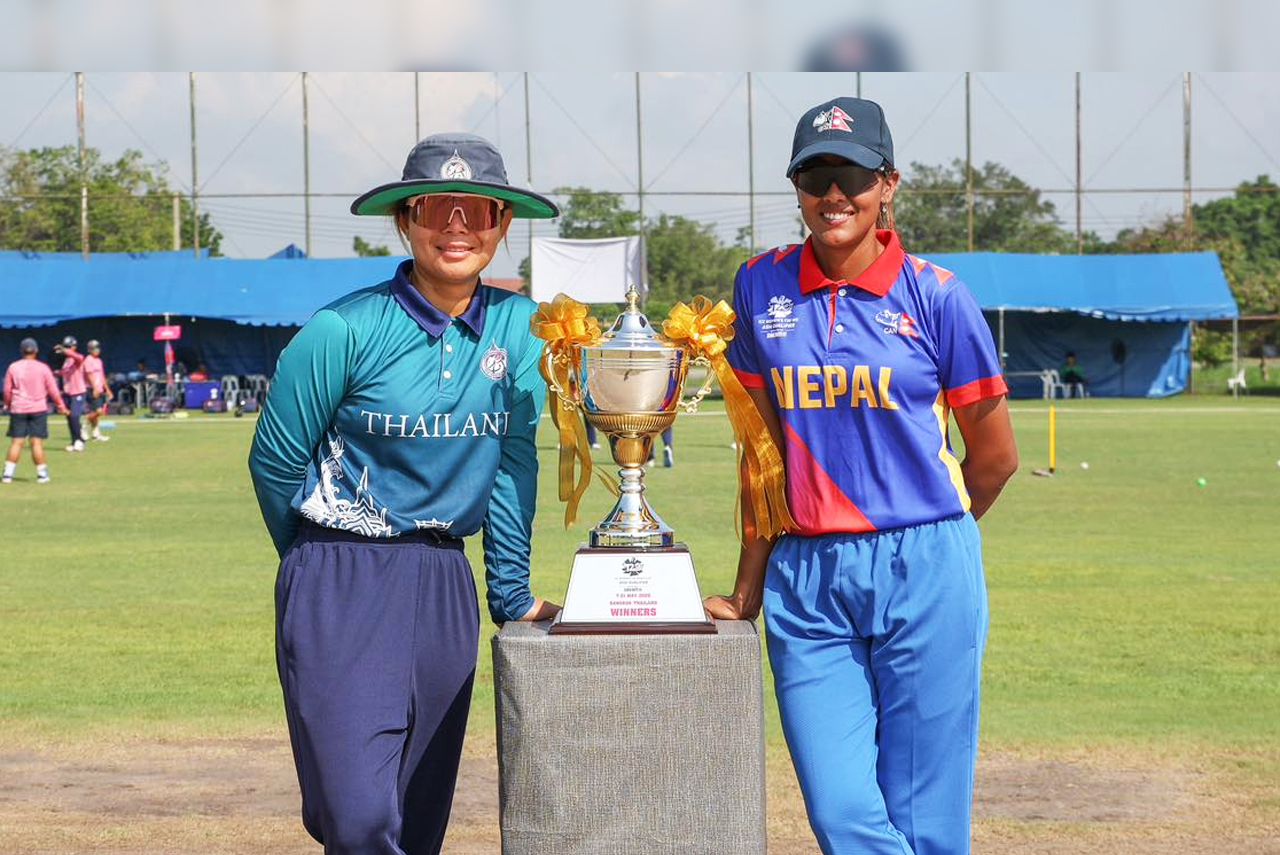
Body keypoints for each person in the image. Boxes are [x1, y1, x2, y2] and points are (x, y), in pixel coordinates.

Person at [705, 97, 1018, 855]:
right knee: (841, 810)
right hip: (807, 576)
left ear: (888, 184)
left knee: (925, 819)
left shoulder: (937, 294)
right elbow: (762, 454)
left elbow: (995, 456)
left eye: (852, 174)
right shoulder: (759, 285)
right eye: (815, 177)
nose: (834, 194)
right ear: (796, 189)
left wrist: (926, 535)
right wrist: (746, 588)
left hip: (925, 564)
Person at [249, 132, 562, 855]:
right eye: (434, 208)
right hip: (342, 576)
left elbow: (513, 464)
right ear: (405, 220)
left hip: (444, 580)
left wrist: (510, 593)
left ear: (502, 224)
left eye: (476, 210)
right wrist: (315, 562)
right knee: (358, 819)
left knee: (418, 821)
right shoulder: (342, 328)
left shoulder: (524, 328)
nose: (456, 226)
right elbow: (275, 462)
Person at [3, 338, 70, 484]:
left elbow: (7, 389)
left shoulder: (13, 367)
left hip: (18, 408)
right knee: (36, 443)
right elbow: (53, 389)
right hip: (38, 409)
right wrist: (61, 406)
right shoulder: (43, 368)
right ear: (36, 351)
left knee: (17, 442)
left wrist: (7, 404)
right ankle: (42, 475)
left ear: (21, 351)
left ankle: (7, 475)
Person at [53, 335, 87, 452]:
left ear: (74, 347)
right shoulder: (66, 361)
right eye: (65, 347)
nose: (67, 349)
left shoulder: (77, 358)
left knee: (74, 416)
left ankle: (80, 441)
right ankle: (74, 441)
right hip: (68, 393)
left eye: (69, 347)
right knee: (69, 418)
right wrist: (56, 373)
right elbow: (65, 373)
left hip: (78, 392)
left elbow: (79, 358)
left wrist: (63, 349)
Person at [82, 340, 112, 442]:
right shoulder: (88, 360)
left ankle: (96, 435)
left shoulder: (99, 361)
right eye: (95, 348)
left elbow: (102, 376)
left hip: (99, 389)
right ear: (90, 350)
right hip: (91, 389)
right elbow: (89, 376)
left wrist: (107, 389)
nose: (97, 350)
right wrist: (94, 388)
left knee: (96, 414)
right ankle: (85, 424)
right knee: (99, 411)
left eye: (98, 348)